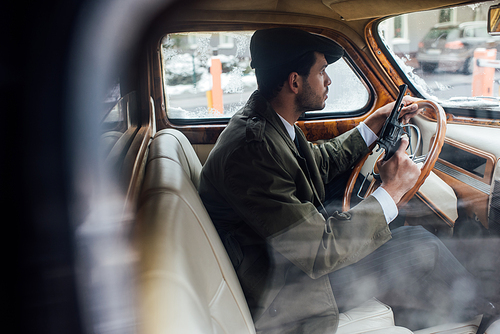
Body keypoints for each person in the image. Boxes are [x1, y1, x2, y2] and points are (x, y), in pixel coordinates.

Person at [198, 28, 497, 333]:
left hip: (282, 262)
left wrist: (371, 126)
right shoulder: (254, 149)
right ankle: (489, 315)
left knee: (389, 227)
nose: (328, 81)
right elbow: (316, 251)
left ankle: (441, 308)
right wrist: (392, 189)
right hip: (283, 292)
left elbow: (318, 162)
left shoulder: (270, 122)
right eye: (322, 71)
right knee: (422, 244)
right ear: (295, 81)